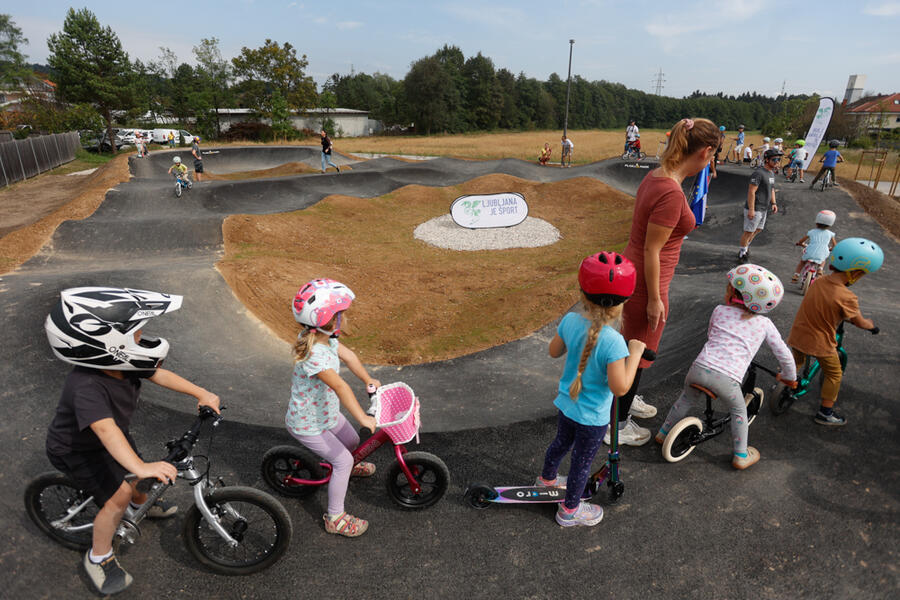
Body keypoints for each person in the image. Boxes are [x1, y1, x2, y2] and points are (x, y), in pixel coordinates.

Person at [43, 287, 220, 596]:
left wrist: (200, 393)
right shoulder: (86, 386)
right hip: (77, 450)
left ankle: (143, 503)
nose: (142, 338)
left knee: (139, 478)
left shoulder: (122, 364)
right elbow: (105, 431)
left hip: (110, 439)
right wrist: (141, 465)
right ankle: (98, 556)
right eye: (137, 333)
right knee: (119, 495)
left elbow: (159, 374)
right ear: (109, 343)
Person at [610, 117, 722, 446]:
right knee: (638, 350)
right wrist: (656, 298)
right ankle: (617, 424)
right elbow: (652, 249)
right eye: (714, 154)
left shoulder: (658, 176)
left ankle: (627, 400)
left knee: (633, 345)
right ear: (706, 151)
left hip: (637, 273)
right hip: (646, 282)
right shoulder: (671, 193)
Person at [536, 252, 645, 526]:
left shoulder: (571, 320)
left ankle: (546, 478)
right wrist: (634, 354)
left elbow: (553, 351)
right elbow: (620, 388)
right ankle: (569, 511)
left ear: (583, 293)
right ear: (623, 302)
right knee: (581, 463)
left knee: (561, 443)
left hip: (567, 405)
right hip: (592, 417)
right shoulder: (614, 342)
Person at [656, 265, 795, 468]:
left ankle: (663, 432)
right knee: (739, 411)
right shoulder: (764, 324)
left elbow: (711, 333)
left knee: (685, 399)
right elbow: (783, 353)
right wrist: (790, 376)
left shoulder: (719, 310)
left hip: (699, 368)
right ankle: (740, 455)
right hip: (726, 380)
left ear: (733, 293)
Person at [287, 278, 379, 536]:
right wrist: (363, 417)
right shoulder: (314, 354)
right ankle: (335, 518)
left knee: (351, 443)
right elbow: (340, 387)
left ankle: (349, 466)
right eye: (341, 315)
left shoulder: (325, 338)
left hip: (326, 412)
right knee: (342, 461)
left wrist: (368, 379)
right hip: (307, 424)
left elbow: (349, 357)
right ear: (329, 320)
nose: (345, 318)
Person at [786, 238, 883, 426]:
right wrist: (871, 326)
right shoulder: (847, 296)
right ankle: (825, 413)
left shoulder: (819, 281)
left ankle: (783, 383)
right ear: (854, 272)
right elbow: (859, 321)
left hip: (798, 333)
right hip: (820, 342)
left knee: (796, 362)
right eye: (862, 274)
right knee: (834, 374)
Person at [737, 148, 782, 262]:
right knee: (749, 231)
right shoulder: (758, 173)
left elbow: (772, 189)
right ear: (766, 160)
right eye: (775, 159)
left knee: (758, 229)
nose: (777, 162)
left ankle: (746, 247)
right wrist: (751, 209)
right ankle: (742, 253)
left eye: (779, 159)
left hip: (764, 208)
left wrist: (774, 203)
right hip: (755, 207)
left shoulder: (771, 173)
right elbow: (751, 191)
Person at [791, 210, 837, 282]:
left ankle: (796, 275)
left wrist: (800, 243)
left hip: (810, 251)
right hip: (822, 252)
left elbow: (801, 241)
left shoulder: (811, 232)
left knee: (802, 262)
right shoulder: (831, 234)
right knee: (823, 259)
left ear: (817, 222)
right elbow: (835, 245)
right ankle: (820, 269)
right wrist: (831, 249)